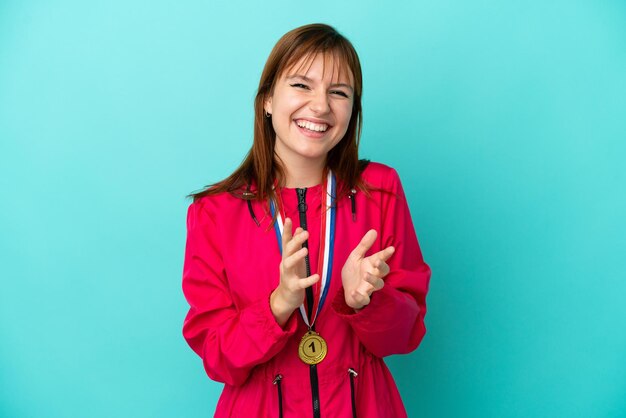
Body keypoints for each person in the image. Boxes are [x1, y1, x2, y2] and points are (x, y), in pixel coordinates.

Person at [182, 23, 431, 418]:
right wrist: (278, 305)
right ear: (266, 99)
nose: (320, 106)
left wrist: (364, 301)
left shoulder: (381, 190)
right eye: (301, 85)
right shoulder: (214, 212)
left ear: (353, 109)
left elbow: (407, 335)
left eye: (339, 92)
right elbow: (218, 358)